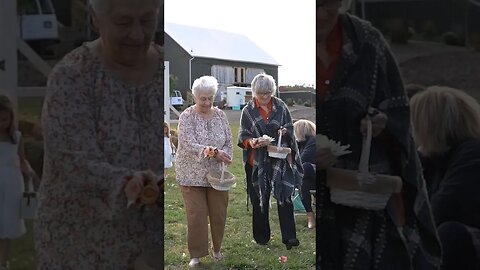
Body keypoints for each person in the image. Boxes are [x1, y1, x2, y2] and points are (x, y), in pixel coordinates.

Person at [34, 0, 164, 268]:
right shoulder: (72, 76)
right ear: (95, 19)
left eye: (147, 20)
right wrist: (131, 183)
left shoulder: (166, 70)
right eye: (123, 22)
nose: (138, 34)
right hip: (84, 248)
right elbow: (74, 160)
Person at [316, 0, 442, 269]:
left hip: (364, 191)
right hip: (313, 189)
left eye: (327, 4)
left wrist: (383, 122)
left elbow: (398, 109)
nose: (320, 14)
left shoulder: (367, 42)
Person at [410, 86, 480, 270]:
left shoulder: (473, 154)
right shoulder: (438, 160)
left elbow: (441, 211)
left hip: (464, 241)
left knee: (449, 234)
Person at [238, 73, 304, 250]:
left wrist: (284, 132)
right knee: (260, 198)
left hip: (278, 160)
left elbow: (290, 127)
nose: (265, 97)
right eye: (261, 93)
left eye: (268, 93)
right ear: (254, 92)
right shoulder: (248, 111)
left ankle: (289, 238)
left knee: (285, 195)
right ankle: (261, 238)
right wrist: (253, 142)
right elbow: (243, 136)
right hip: (256, 162)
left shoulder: (281, 106)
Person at [175, 75, 233, 267]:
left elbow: (228, 142)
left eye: (210, 98)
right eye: (203, 98)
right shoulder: (186, 117)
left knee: (218, 213)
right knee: (196, 214)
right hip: (191, 175)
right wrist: (213, 152)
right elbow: (188, 143)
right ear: (195, 97)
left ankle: (217, 249)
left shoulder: (221, 116)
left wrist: (225, 156)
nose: (207, 102)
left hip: (217, 175)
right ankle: (196, 254)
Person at [0, 95, 39, 270]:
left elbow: (21, 159)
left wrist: (30, 173)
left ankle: (3, 263)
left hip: (11, 184)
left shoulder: (16, 137)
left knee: (6, 226)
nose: (1, 123)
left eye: (4, 119)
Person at [293, 119, 316, 229]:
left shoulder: (314, 142)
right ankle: (310, 215)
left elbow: (302, 160)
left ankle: (310, 215)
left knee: (305, 167)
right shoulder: (301, 144)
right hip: (309, 179)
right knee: (303, 182)